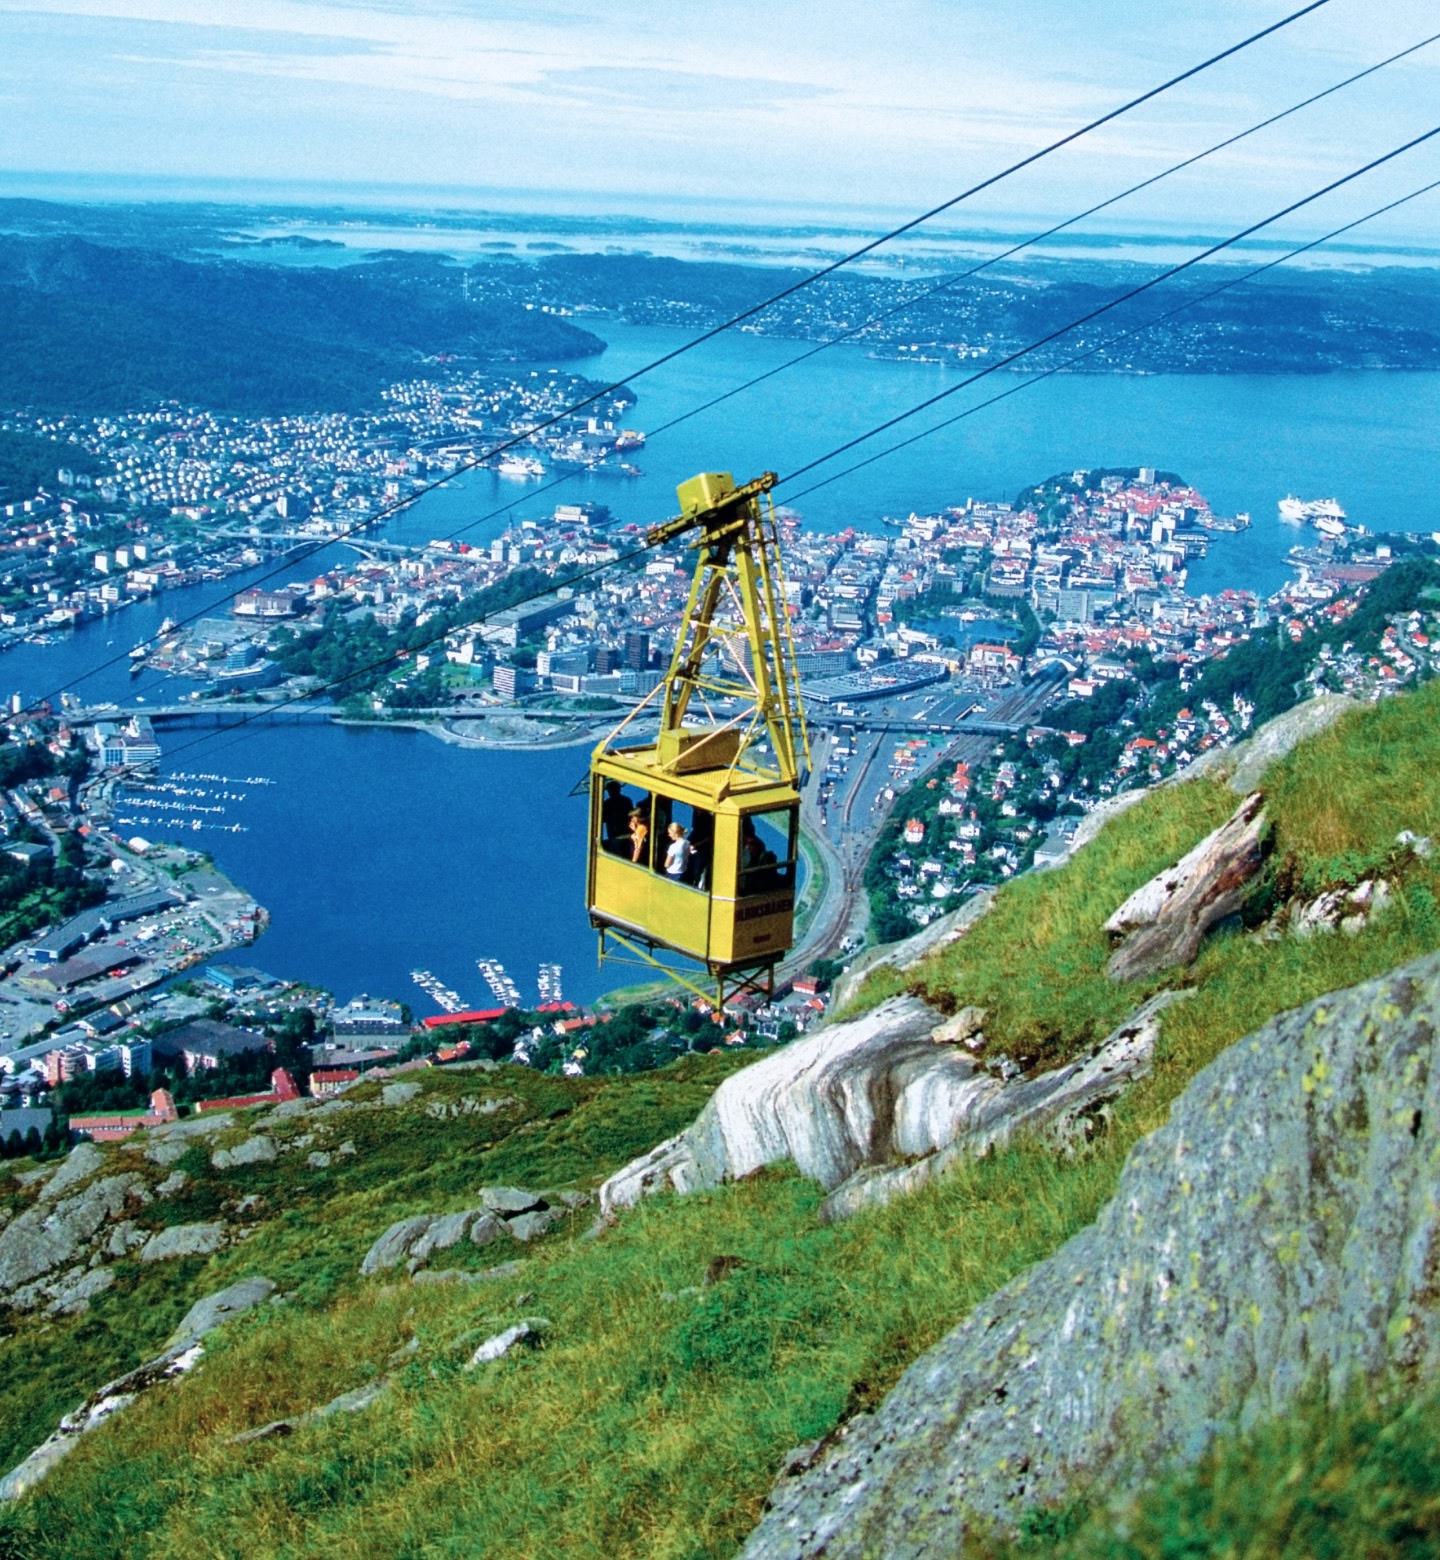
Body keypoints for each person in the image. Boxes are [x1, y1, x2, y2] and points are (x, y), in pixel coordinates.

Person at [601, 781, 631, 852]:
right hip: (624, 833)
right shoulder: (626, 800)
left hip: (617, 835)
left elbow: (603, 818)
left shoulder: (607, 804)